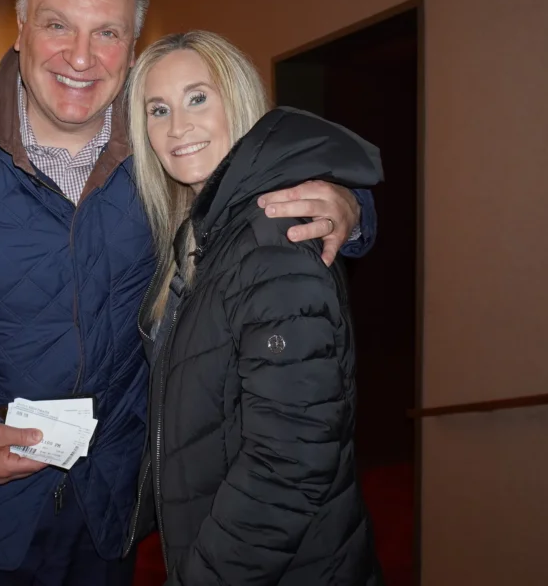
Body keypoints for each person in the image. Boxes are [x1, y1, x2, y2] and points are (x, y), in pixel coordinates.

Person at [0, 0, 378, 585]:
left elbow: (256, 178)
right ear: (21, 29)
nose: (80, 56)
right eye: (58, 25)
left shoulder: (166, 146)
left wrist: (349, 209)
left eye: (108, 32)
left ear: (131, 45)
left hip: (110, 511)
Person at [123, 30, 384, 585]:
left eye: (198, 97)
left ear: (237, 100)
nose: (178, 127)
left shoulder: (275, 242)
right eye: (158, 109)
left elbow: (287, 469)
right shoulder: (205, 230)